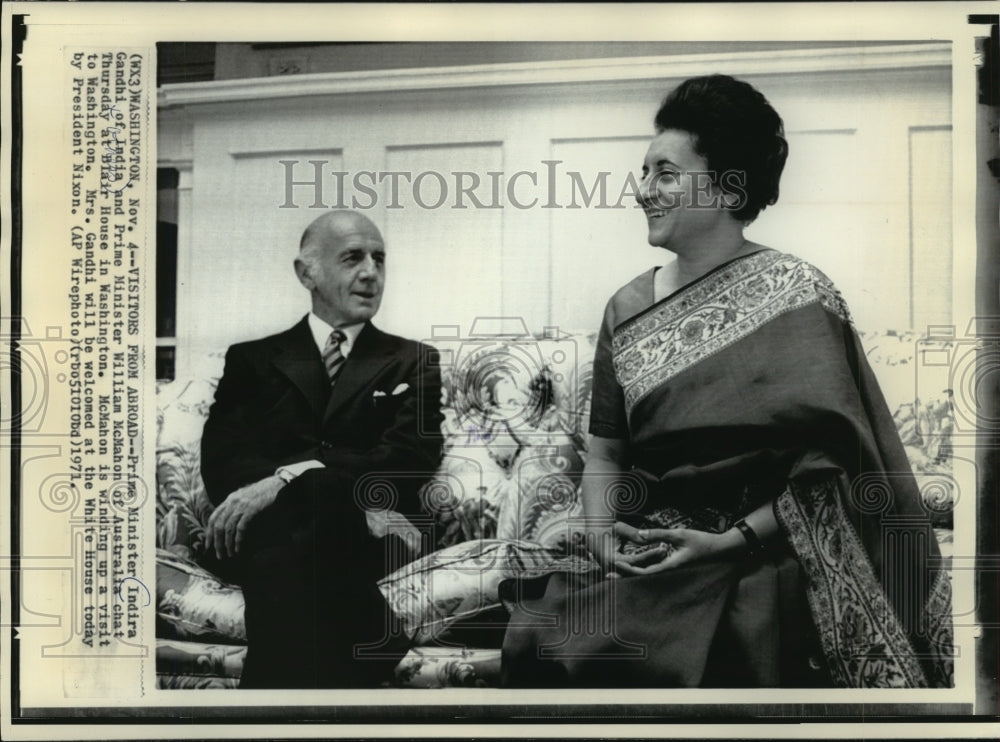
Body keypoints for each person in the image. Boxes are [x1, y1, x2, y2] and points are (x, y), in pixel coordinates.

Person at [501, 75, 953, 688]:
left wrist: (728, 542)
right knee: (562, 615)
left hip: (765, 547)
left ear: (724, 186)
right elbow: (607, 450)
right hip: (652, 544)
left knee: (710, 637)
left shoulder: (797, 293)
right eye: (644, 172)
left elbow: (834, 469)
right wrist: (603, 533)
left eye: (664, 173)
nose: (643, 192)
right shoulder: (625, 307)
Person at [200, 210, 443, 688]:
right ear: (306, 272)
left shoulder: (413, 361)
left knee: (316, 513)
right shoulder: (251, 360)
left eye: (379, 259)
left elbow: (408, 457)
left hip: (371, 536)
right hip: (273, 532)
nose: (371, 272)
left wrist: (287, 478)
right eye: (353, 258)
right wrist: (315, 485)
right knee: (307, 520)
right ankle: (371, 645)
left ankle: (263, 712)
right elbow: (224, 459)